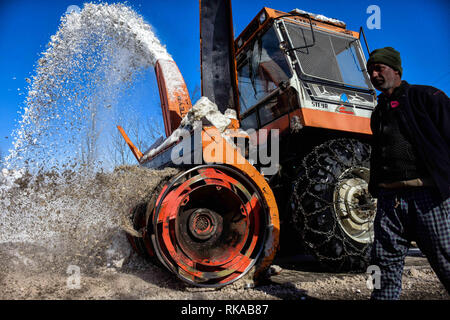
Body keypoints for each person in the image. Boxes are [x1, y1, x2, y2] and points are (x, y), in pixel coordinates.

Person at [366, 47, 450, 300]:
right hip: (390, 202)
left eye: (380, 68)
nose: (374, 74)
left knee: (447, 260)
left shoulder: (428, 96)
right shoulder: (378, 111)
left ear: (397, 71)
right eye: (371, 70)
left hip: (427, 197)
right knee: (383, 267)